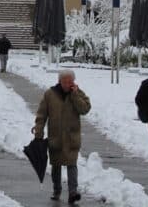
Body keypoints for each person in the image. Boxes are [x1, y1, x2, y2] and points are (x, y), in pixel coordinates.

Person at [33, 69, 91, 203]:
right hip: (56, 137)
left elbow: (85, 109)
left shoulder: (77, 93)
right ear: (59, 81)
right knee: (56, 165)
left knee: (72, 164)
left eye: (70, 81)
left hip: (72, 137)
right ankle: (57, 190)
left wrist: (75, 95)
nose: (67, 84)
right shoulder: (50, 94)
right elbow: (41, 115)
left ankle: (72, 192)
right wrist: (38, 132)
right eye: (65, 81)